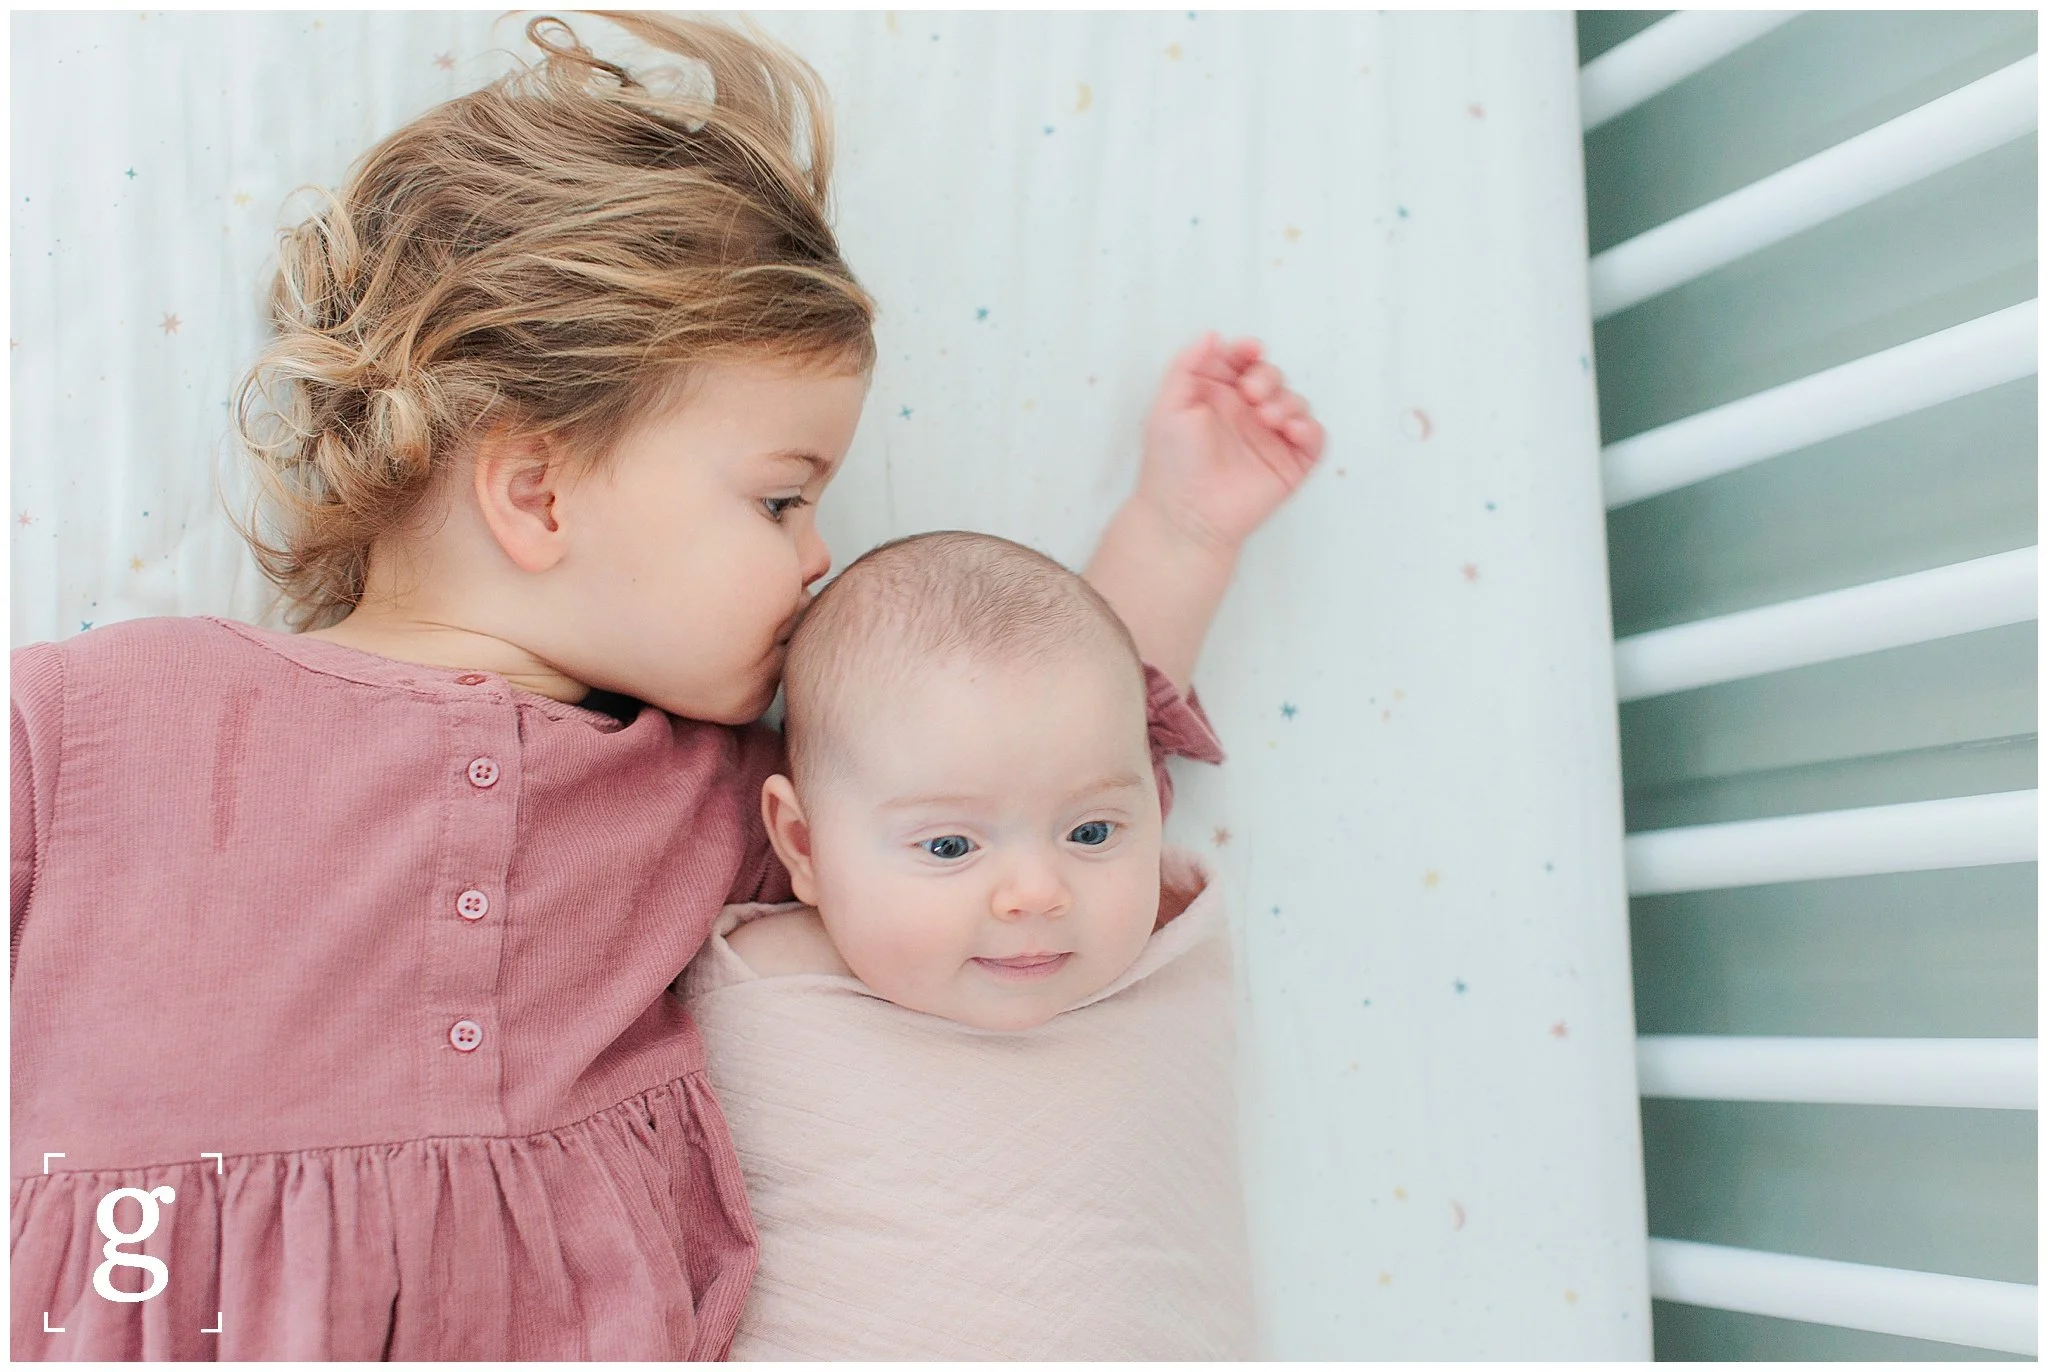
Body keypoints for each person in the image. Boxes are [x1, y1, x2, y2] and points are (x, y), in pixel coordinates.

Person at [9, 11, 1323, 1361]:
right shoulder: (117, 719)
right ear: (538, 494)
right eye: (781, 500)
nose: (820, 561)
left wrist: (1178, 536)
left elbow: (1027, 747)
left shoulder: (725, 797)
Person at [683, 530, 1256, 1359]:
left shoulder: (1139, 922)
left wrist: (1186, 519)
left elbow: (1124, 706)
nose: (1036, 892)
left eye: (1091, 831)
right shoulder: (761, 964)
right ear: (804, 847)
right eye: (950, 848)